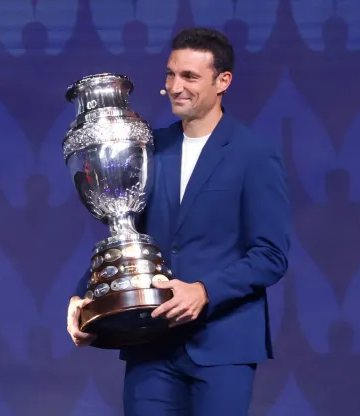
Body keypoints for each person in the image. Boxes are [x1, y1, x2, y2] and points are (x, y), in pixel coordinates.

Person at [66, 27, 291, 415]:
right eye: (171, 74)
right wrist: (84, 296)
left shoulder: (254, 155)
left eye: (189, 76)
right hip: (150, 340)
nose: (175, 87)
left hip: (223, 345)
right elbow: (125, 231)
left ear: (223, 81)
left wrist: (204, 290)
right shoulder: (150, 148)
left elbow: (271, 255)